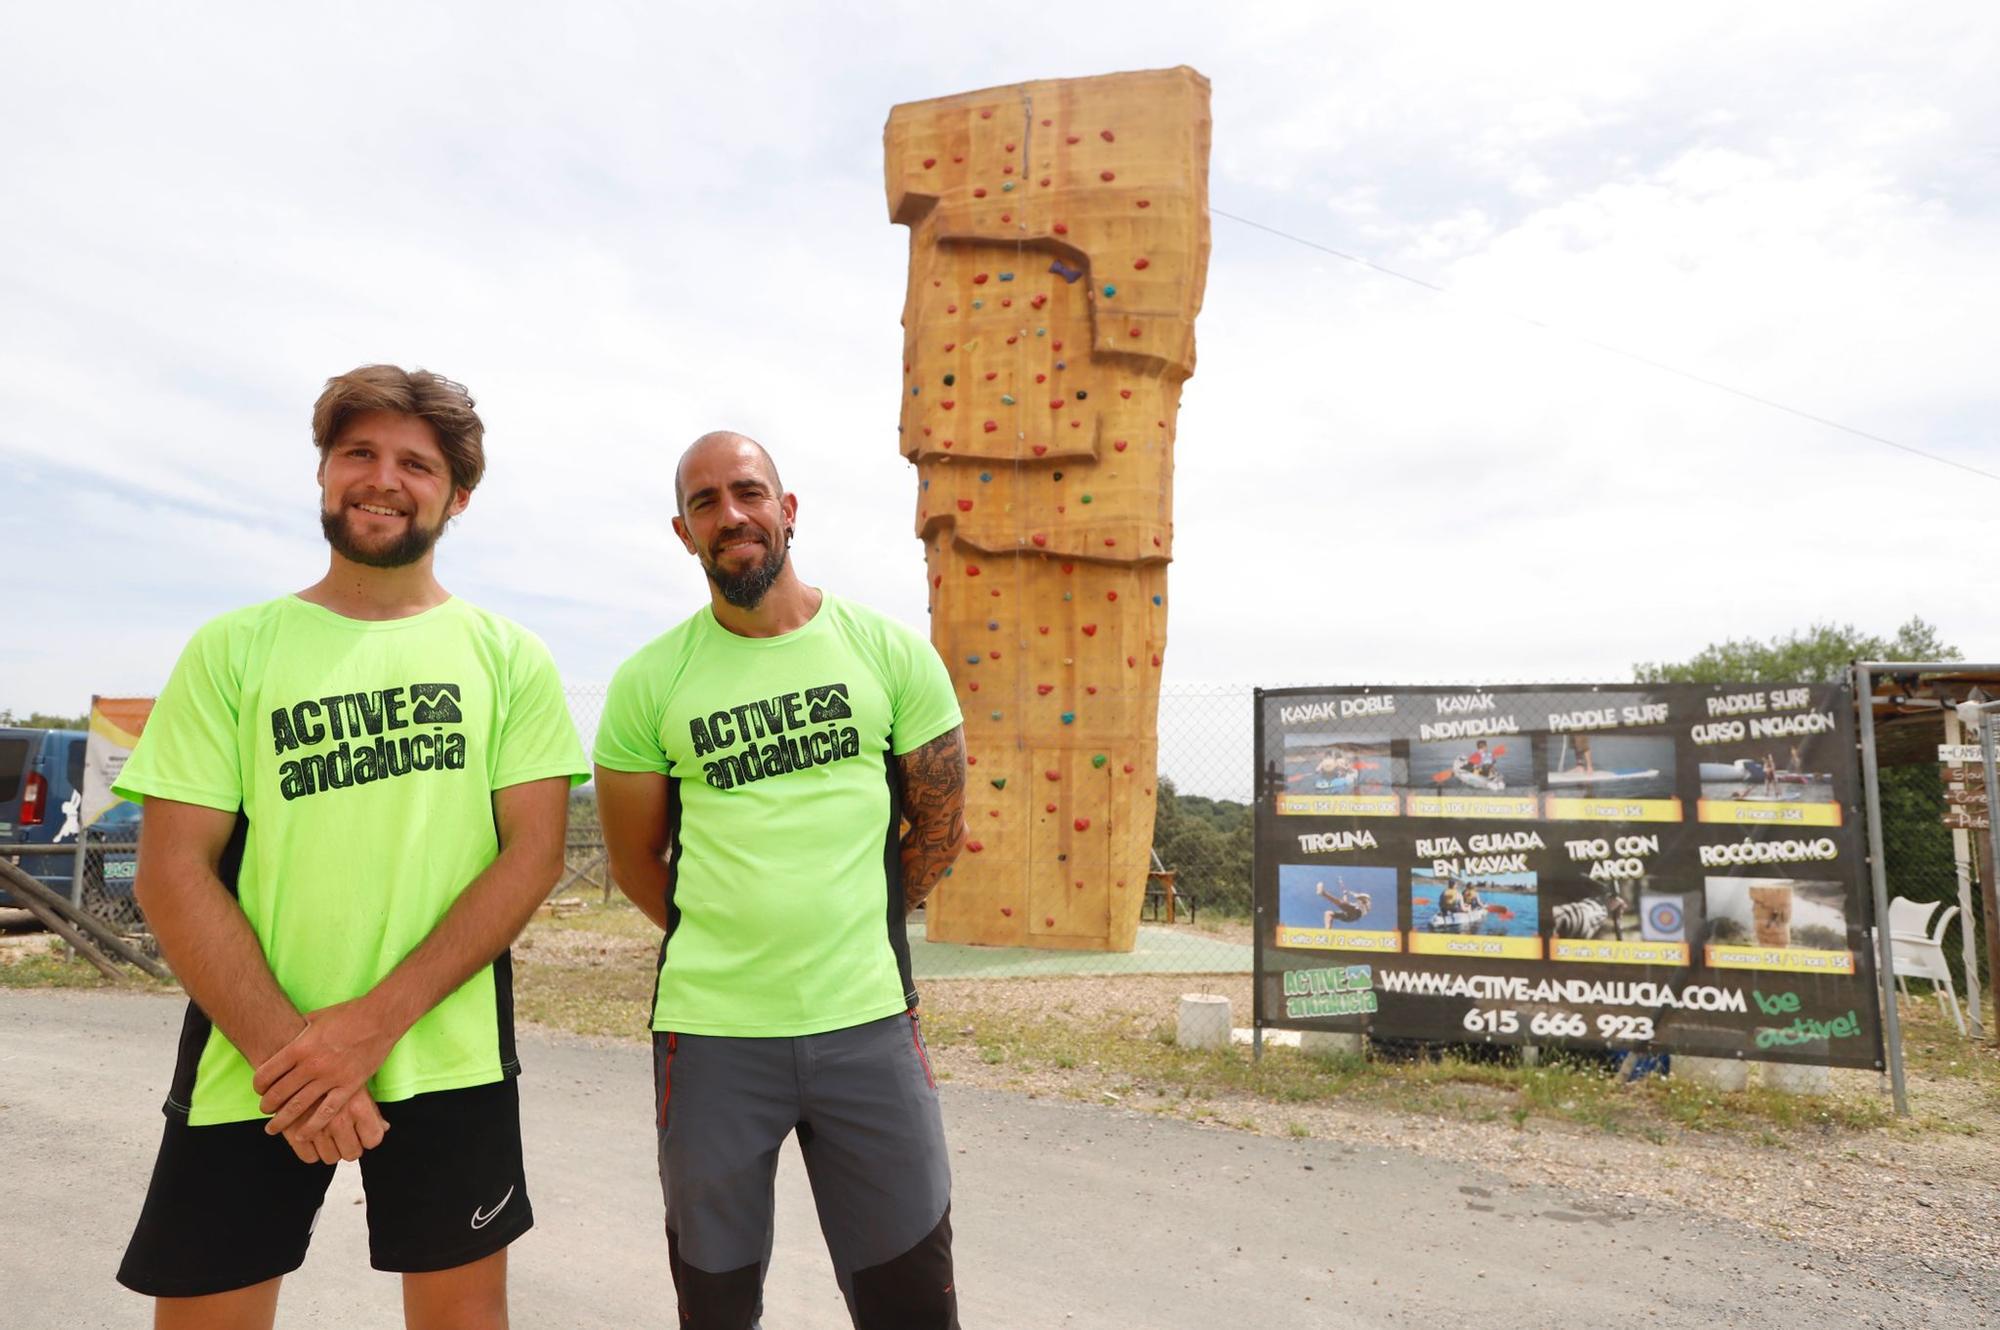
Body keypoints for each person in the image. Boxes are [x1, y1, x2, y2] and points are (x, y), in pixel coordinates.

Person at [114, 366, 588, 1329]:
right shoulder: (233, 648)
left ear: (458, 496)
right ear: (324, 474)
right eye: (357, 453)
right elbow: (171, 873)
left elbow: (529, 858)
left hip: (447, 1059)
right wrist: (298, 1059)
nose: (382, 477)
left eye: (416, 463)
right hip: (251, 1065)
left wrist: (367, 1029)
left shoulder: (509, 657)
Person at [594, 432, 968, 1329]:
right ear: (684, 533)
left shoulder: (887, 652)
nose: (731, 516)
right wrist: (740, 940)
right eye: (705, 503)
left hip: (868, 1026)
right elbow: (637, 861)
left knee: (912, 1301)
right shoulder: (650, 682)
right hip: (712, 1035)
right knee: (716, 1306)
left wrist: (849, 925)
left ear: (787, 508)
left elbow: (943, 827)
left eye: (748, 492)